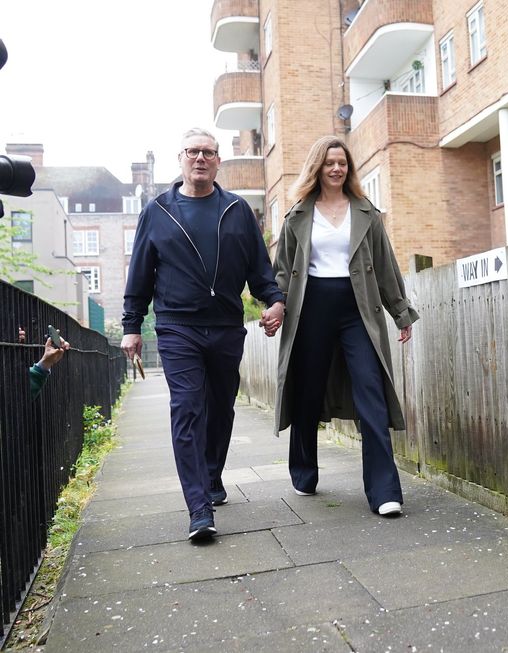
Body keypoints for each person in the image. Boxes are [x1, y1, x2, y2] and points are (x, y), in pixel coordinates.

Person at [121, 128, 285, 542]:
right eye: (193, 151)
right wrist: (131, 326)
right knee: (188, 409)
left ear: (218, 162)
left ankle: (212, 476)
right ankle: (199, 508)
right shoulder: (158, 210)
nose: (200, 158)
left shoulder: (237, 211)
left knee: (221, 409)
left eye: (208, 152)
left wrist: (274, 300)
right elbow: (140, 272)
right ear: (181, 158)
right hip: (178, 327)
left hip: (227, 327)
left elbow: (259, 269)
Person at [270, 135, 418, 517]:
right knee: (306, 391)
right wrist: (276, 307)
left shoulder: (366, 212)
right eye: (329, 162)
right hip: (311, 309)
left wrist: (400, 312)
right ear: (317, 167)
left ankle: (385, 491)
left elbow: (384, 266)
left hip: (358, 310)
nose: (337, 169)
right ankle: (303, 470)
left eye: (343, 163)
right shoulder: (298, 215)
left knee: (371, 392)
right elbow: (284, 272)